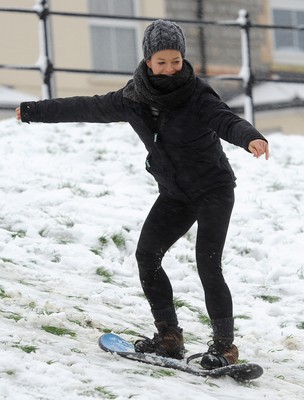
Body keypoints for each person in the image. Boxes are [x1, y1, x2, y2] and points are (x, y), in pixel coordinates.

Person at [16, 19, 269, 369]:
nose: (169, 69)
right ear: (148, 61)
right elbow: (86, 107)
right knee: (147, 255)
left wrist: (250, 137)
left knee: (207, 265)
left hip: (213, 189)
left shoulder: (197, 94)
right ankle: (169, 335)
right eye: (161, 62)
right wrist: (34, 111)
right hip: (175, 194)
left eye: (175, 61)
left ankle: (224, 347)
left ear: (183, 59)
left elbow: (226, 119)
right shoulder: (132, 98)